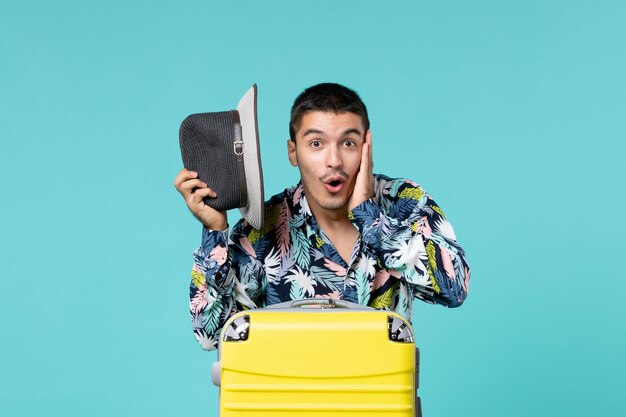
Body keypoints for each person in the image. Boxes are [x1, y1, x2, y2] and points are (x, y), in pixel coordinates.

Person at [174, 83, 470, 350]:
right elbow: (211, 335)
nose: (334, 161)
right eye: (316, 144)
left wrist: (369, 215)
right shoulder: (263, 228)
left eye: (348, 143)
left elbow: (454, 289)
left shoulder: (403, 201)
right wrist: (214, 230)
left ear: (367, 148)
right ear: (293, 152)